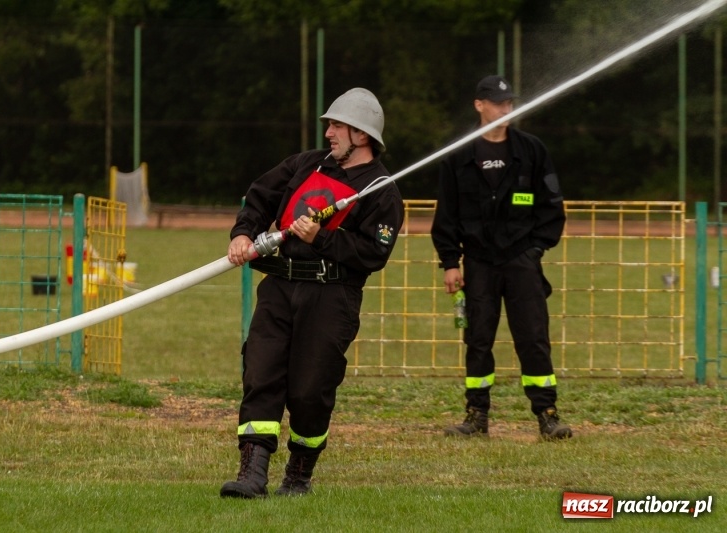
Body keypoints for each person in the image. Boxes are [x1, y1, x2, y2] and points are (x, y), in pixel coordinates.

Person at [221, 88, 404, 498]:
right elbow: (260, 194)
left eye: (338, 125)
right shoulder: (305, 164)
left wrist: (322, 238)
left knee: (309, 390)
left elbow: (374, 253)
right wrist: (243, 232)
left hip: (331, 298)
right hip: (279, 288)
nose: (330, 132)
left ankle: (299, 475)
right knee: (260, 373)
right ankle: (252, 474)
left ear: (362, 135)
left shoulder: (381, 191)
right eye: (330, 124)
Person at [430, 75, 572, 441]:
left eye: (510, 102)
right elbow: (446, 216)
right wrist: (450, 262)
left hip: (523, 263)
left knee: (534, 338)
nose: (507, 109)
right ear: (479, 105)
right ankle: (476, 416)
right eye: (498, 102)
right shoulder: (458, 155)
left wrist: (535, 250)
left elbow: (552, 208)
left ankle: (548, 414)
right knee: (478, 340)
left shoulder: (532, 151)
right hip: (478, 264)